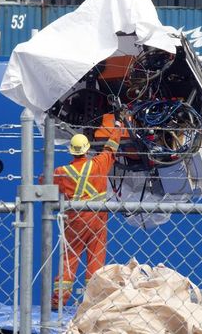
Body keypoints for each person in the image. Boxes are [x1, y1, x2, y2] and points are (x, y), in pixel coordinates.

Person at [51, 119, 122, 309]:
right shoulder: (98, 164)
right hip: (98, 217)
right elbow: (111, 149)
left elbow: (45, 183)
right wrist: (118, 127)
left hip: (74, 220)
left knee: (69, 258)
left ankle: (58, 302)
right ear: (87, 149)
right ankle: (94, 301)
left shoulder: (61, 172)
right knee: (96, 258)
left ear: (72, 151)